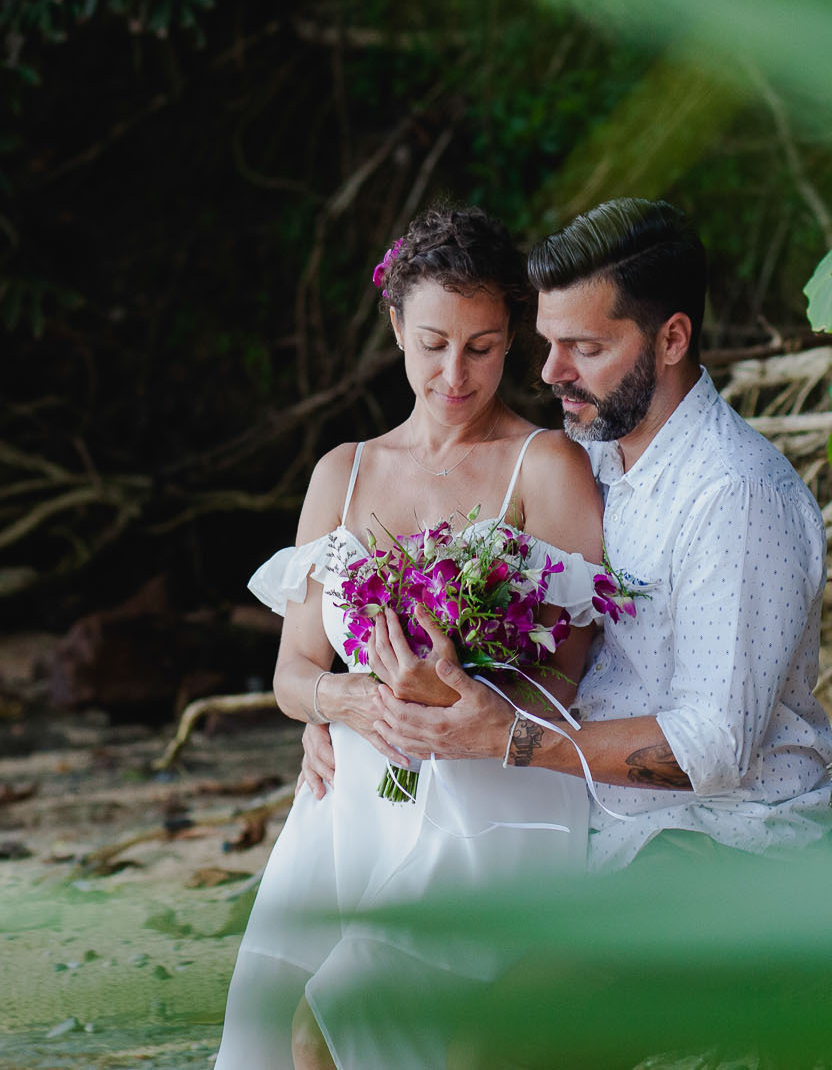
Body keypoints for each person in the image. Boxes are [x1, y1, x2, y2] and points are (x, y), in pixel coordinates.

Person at [213, 207, 608, 1070]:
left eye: (482, 345)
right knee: (271, 1017)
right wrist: (342, 700)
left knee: (337, 1012)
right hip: (354, 788)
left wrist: (458, 693)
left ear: (512, 338)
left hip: (491, 801)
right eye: (433, 343)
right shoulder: (342, 471)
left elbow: (571, 681)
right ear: (395, 327)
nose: (455, 373)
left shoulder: (546, 465)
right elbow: (291, 672)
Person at [377, 197, 832, 872]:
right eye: (549, 342)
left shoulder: (734, 493)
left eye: (585, 348)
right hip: (582, 827)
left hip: (714, 851)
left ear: (672, 339)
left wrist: (514, 738)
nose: (549, 372)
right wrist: (358, 717)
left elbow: (712, 748)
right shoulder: (590, 457)